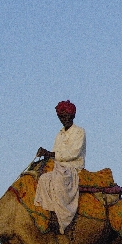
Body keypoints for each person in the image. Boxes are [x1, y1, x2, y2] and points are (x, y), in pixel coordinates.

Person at [34, 100, 86, 236]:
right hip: (59, 166)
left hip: (72, 168)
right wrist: (46, 156)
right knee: (44, 179)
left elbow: (73, 153)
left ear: (72, 116)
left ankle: (63, 217)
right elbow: (55, 154)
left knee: (58, 181)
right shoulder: (60, 134)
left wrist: (50, 154)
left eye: (65, 116)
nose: (63, 119)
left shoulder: (79, 132)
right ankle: (50, 212)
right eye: (61, 117)